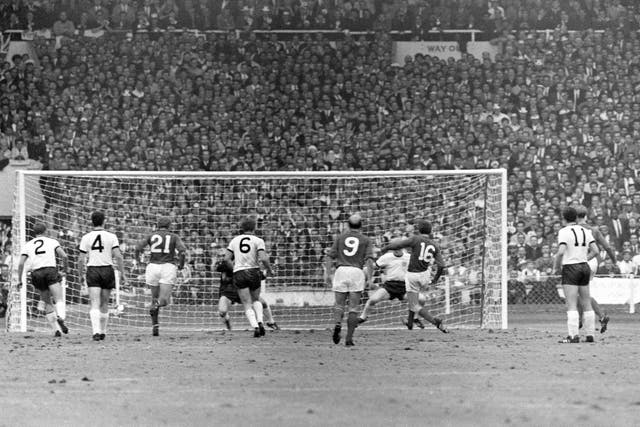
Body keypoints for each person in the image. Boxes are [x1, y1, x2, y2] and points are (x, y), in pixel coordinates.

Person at [380, 219, 449, 333]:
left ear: (419, 229)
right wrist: (435, 280)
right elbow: (441, 265)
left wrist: (387, 248)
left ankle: (436, 322)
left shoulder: (415, 239)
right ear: (430, 231)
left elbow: (399, 244)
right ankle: (410, 322)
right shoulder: (434, 245)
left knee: (414, 305)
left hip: (413, 275)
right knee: (415, 298)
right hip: (425, 275)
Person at [325, 214, 374, 347]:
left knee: (339, 304)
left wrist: (328, 274)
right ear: (361, 225)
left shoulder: (340, 238)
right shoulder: (366, 239)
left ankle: (337, 324)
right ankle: (349, 338)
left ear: (347, 225)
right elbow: (369, 260)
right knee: (353, 307)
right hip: (356, 272)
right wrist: (370, 278)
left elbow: (329, 257)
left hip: (341, 271)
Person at [553, 207, 599, 343]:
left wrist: (556, 266)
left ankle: (573, 336)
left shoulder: (563, 231)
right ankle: (590, 335)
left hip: (570, 267)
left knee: (571, 303)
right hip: (584, 266)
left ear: (564, 218)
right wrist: (584, 259)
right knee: (586, 302)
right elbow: (596, 250)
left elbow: (561, 252)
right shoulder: (586, 231)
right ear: (577, 217)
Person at [134, 216, 187, 336]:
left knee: (154, 297)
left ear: (157, 225)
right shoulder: (174, 236)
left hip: (152, 267)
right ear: (169, 226)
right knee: (163, 300)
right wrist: (181, 265)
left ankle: (155, 325)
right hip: (167, 267)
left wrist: (138, 261)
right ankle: (157, 307)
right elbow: (182, 251)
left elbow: (137, 248)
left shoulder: (151, 235)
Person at [78, 211, 126, 341]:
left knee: (94, 302)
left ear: (91, 221)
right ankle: (103, 332)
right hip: (107, 269)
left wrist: (80, 274)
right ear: (104, 221)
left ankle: (96, 332)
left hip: (93, 269)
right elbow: (118, 257)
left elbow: (81, 259)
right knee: (104, 302)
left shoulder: (86, 237)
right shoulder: (111, 236)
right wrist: (122, 274)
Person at [224, 216, 274, 338]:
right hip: (254, 271)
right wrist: (270, 270)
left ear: (241, 228)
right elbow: (263, 258)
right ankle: (261, 322)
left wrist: (234, 268)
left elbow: (226, 259)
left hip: (240, 272)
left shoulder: (234, 240)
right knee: (256, 299)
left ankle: (255, 326)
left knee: (246, 303)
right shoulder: (258, 240)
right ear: (254, 227)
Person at [16, 223, 69, 336]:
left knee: (47, 301)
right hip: (50, 270)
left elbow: (20, 263)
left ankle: (56, 330)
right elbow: (64, 256)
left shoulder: (28, 244)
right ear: (46, 231)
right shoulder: (52, 241)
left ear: (35, 232)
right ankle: (61, 317)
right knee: (58, 299)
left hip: (36, 273)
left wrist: (20, 280)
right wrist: (65, 270)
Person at [358, 246, 426, 329]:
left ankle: (415, 318)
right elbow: (373, 267)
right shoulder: (386, 257)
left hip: (404, 287)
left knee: (422, 299)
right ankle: (363, 317)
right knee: (373, 300)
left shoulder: (409, 257)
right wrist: (366, 271)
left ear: (402, 247)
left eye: (398, 248)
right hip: (389, 286)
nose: (396, 250)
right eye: (394, 248)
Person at [214, 248, 279, 331]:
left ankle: (271, 322)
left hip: (244, 289)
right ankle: (227, 321)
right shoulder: (225, 264)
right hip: (229, 291)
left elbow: (258, 277)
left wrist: (266, 272)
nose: (221, 257)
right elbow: (218, 268)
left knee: (263, 303)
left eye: (223, 255)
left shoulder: (246, 263)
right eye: (219, 256)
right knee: (222, 311)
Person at [575, 205, 613, 333]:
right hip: (593, 262)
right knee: (580, 292)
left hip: (581, 261)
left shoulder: (573, 229)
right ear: (585, 216)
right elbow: (607, 247)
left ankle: (601, 316)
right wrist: (614, 260)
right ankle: (580, 320)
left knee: (582, 293)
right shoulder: (594, 230)